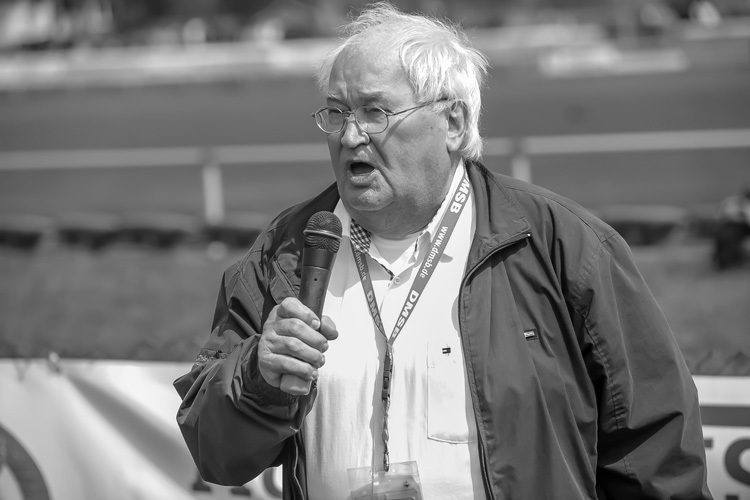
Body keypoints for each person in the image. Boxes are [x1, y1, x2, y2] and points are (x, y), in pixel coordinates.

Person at [174, 3, 712, 499]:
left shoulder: (561, 246)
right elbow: (214, 453)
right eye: (336, 113)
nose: (351, 136)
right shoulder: (284, 253)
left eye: (375, 111)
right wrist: (257, 378)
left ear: (452, 122)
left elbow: (655, 451)